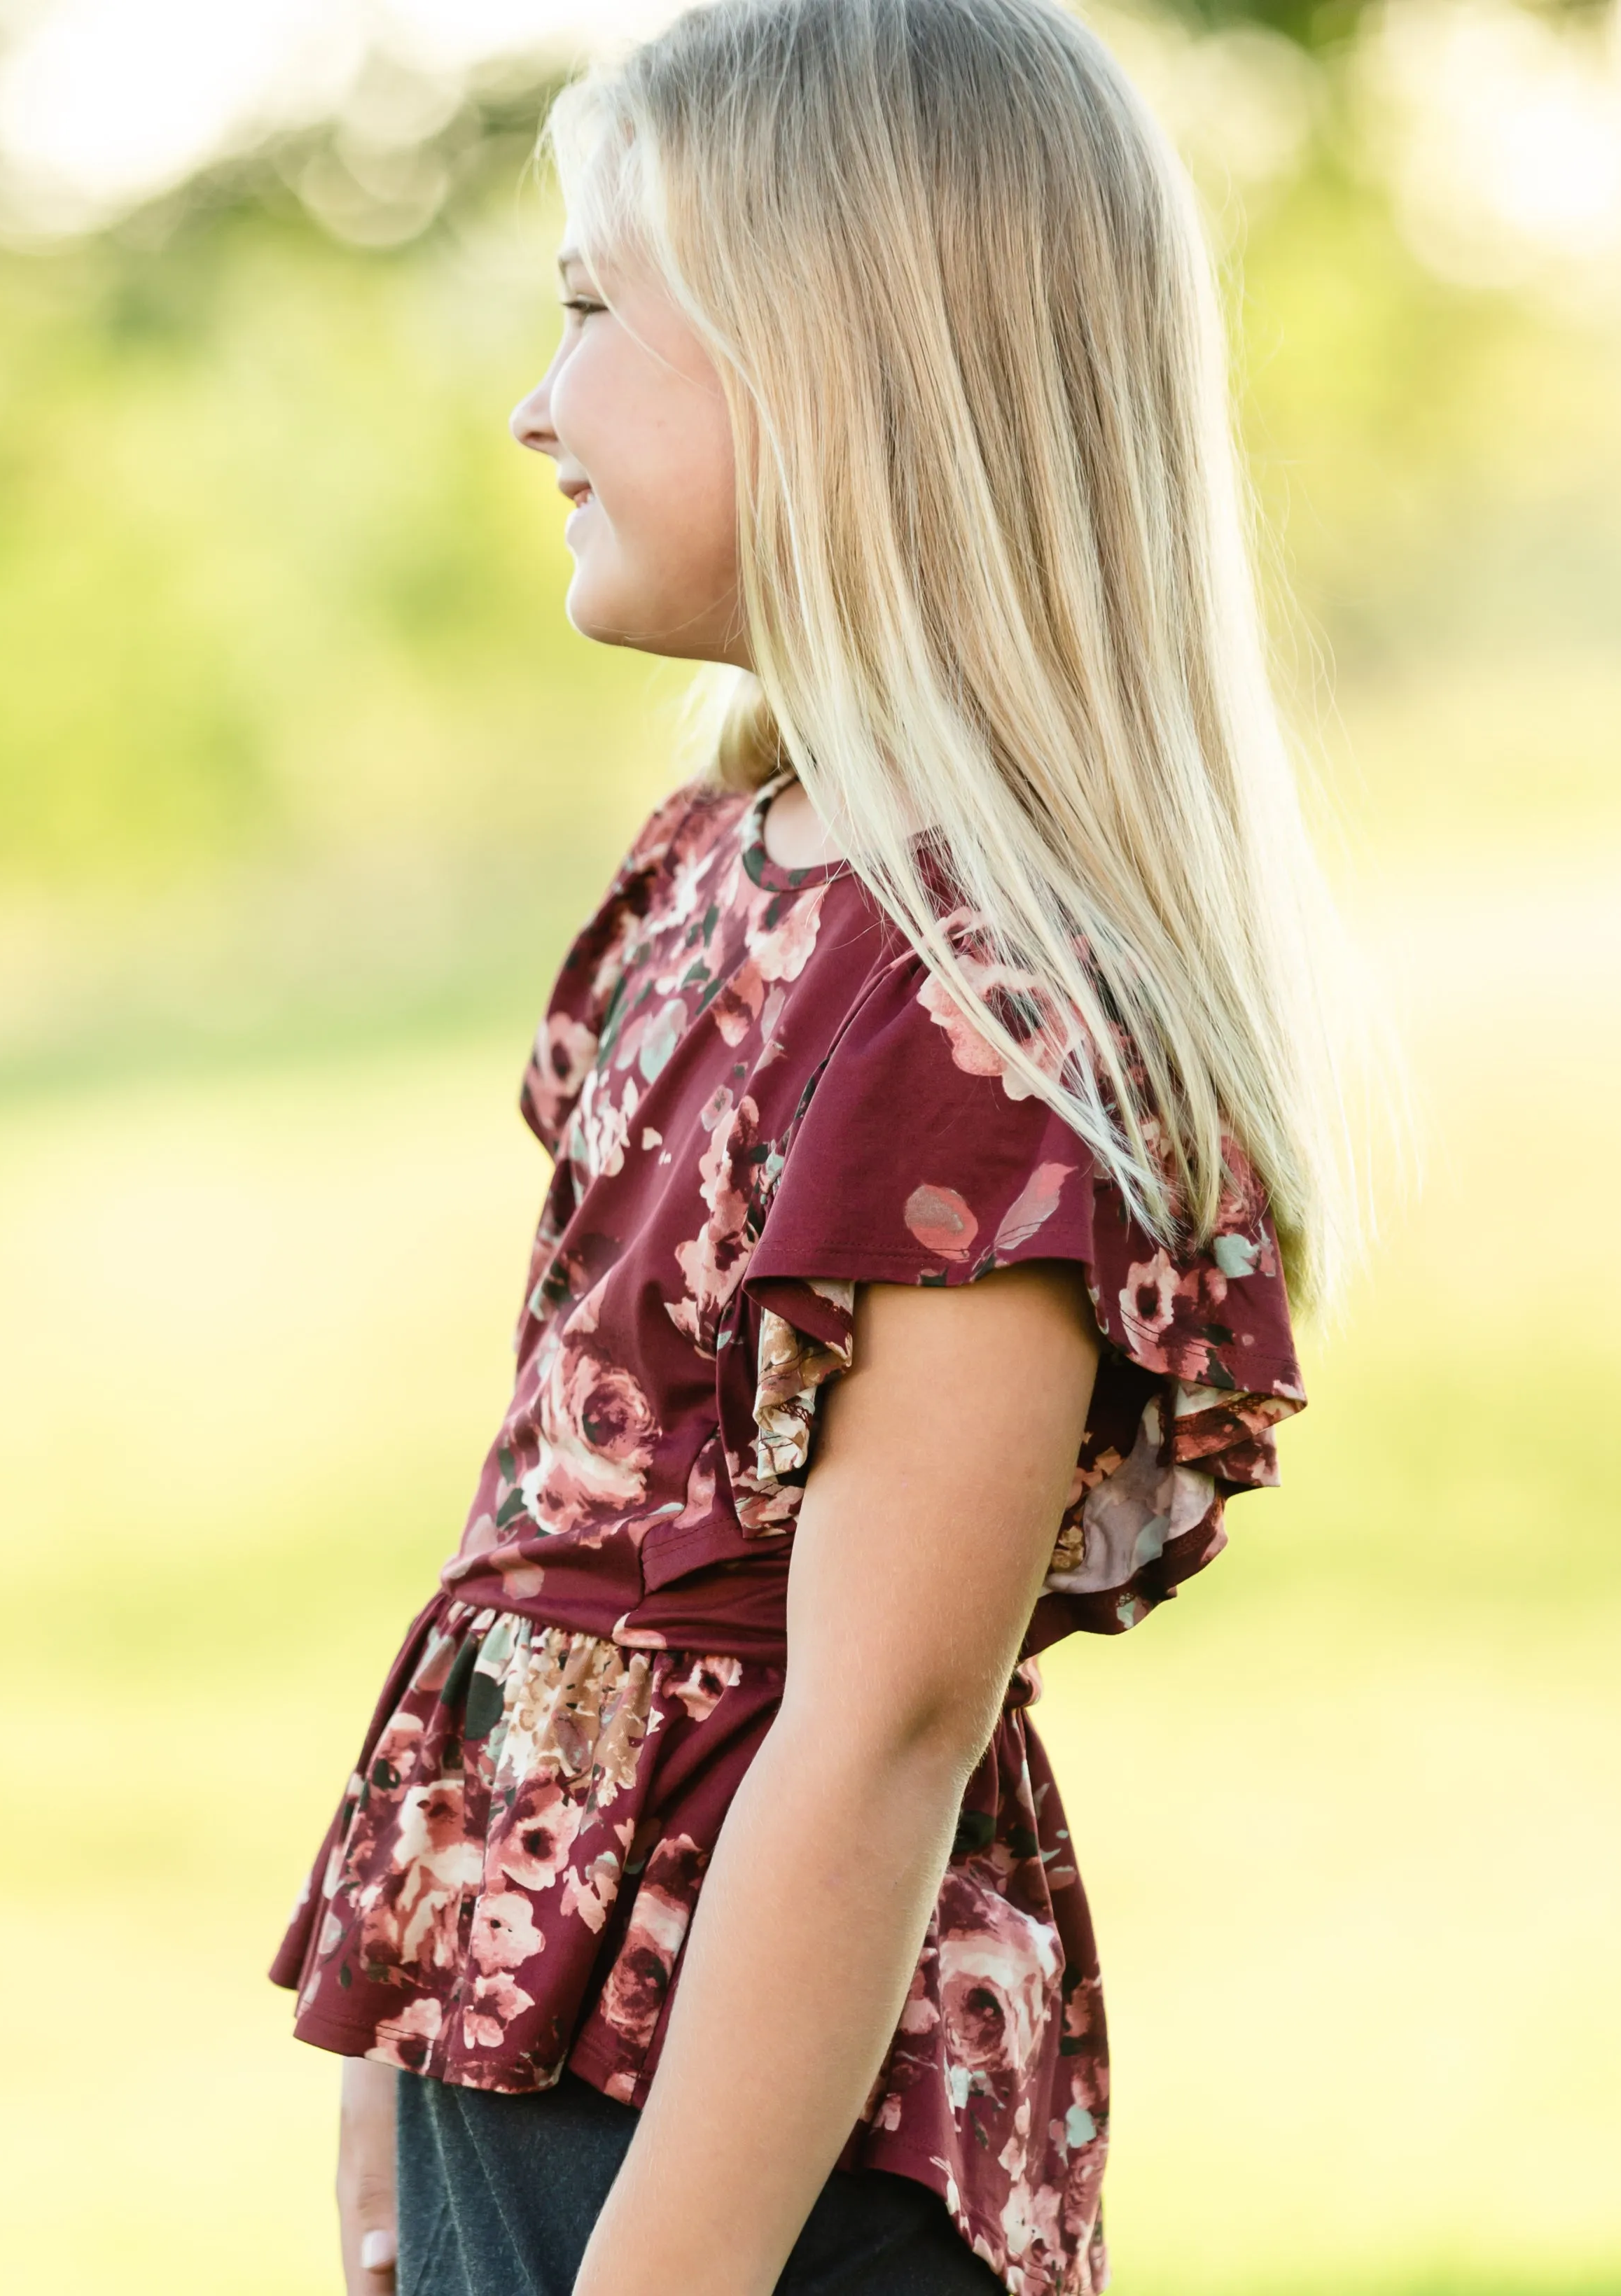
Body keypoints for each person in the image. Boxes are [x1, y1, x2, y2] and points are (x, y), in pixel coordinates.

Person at [270, 1, 1350, 2289]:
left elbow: (877, 1731)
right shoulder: (717, 873)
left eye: (586, 309)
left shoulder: (962, 1011)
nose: (532, 402)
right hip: (539, 2064)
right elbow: (535, 1532)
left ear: (837, 362)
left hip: (762, 2162)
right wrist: (398, 2087)